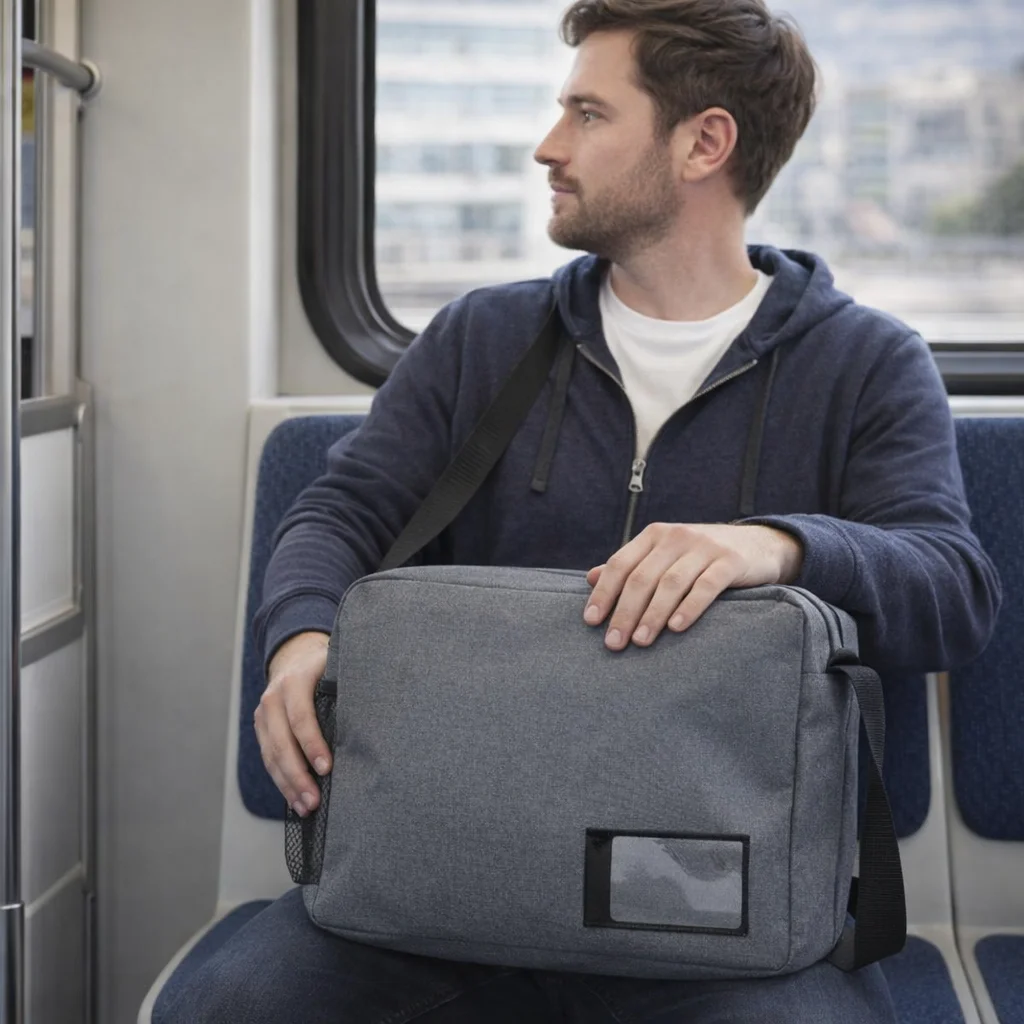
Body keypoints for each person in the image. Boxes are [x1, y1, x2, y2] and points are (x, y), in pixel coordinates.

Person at [160, 0, 1001, 1021]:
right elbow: (339, 511)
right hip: (448, 881)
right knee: (233, 1006)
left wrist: (774, 547)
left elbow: (950, 591)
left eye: (589, 115)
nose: (547, 147)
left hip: (715, 919)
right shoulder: (482, 337)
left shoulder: (865, 363)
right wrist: (299, 640)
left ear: (705, 143)